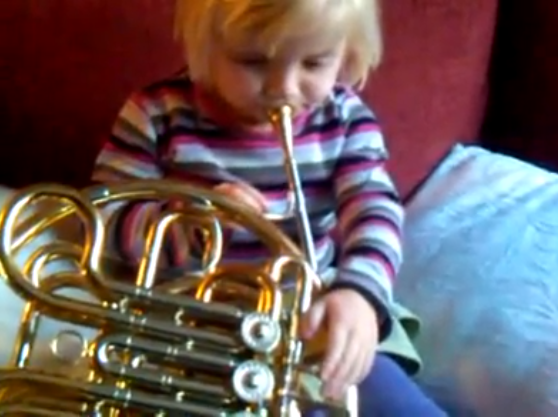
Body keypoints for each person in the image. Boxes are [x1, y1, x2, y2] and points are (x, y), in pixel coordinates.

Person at [92, 0, 447, 415]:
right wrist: (192, 224)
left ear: (347, 54)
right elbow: (105, 220)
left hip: (312, 317)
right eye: (254, 61)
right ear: (207, 47)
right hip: (189, 327)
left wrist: (360, 294)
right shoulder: (155, 114)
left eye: (314, 63)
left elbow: (375, 210)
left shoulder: (345, 118)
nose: (284, 88)